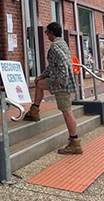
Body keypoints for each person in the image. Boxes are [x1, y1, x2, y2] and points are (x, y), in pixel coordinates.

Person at [23, 22, 82, 155]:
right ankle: (35, 110)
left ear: (51, 32)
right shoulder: (63, 43)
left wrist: (60, 81)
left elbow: (63, 63)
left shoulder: (55, 47)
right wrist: (41, 76)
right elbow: (53, 66)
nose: (46, 35)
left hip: (60, 83)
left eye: (47, 32)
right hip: (58, 80)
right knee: (39, 84)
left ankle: (74, 142)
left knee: (67, 112)